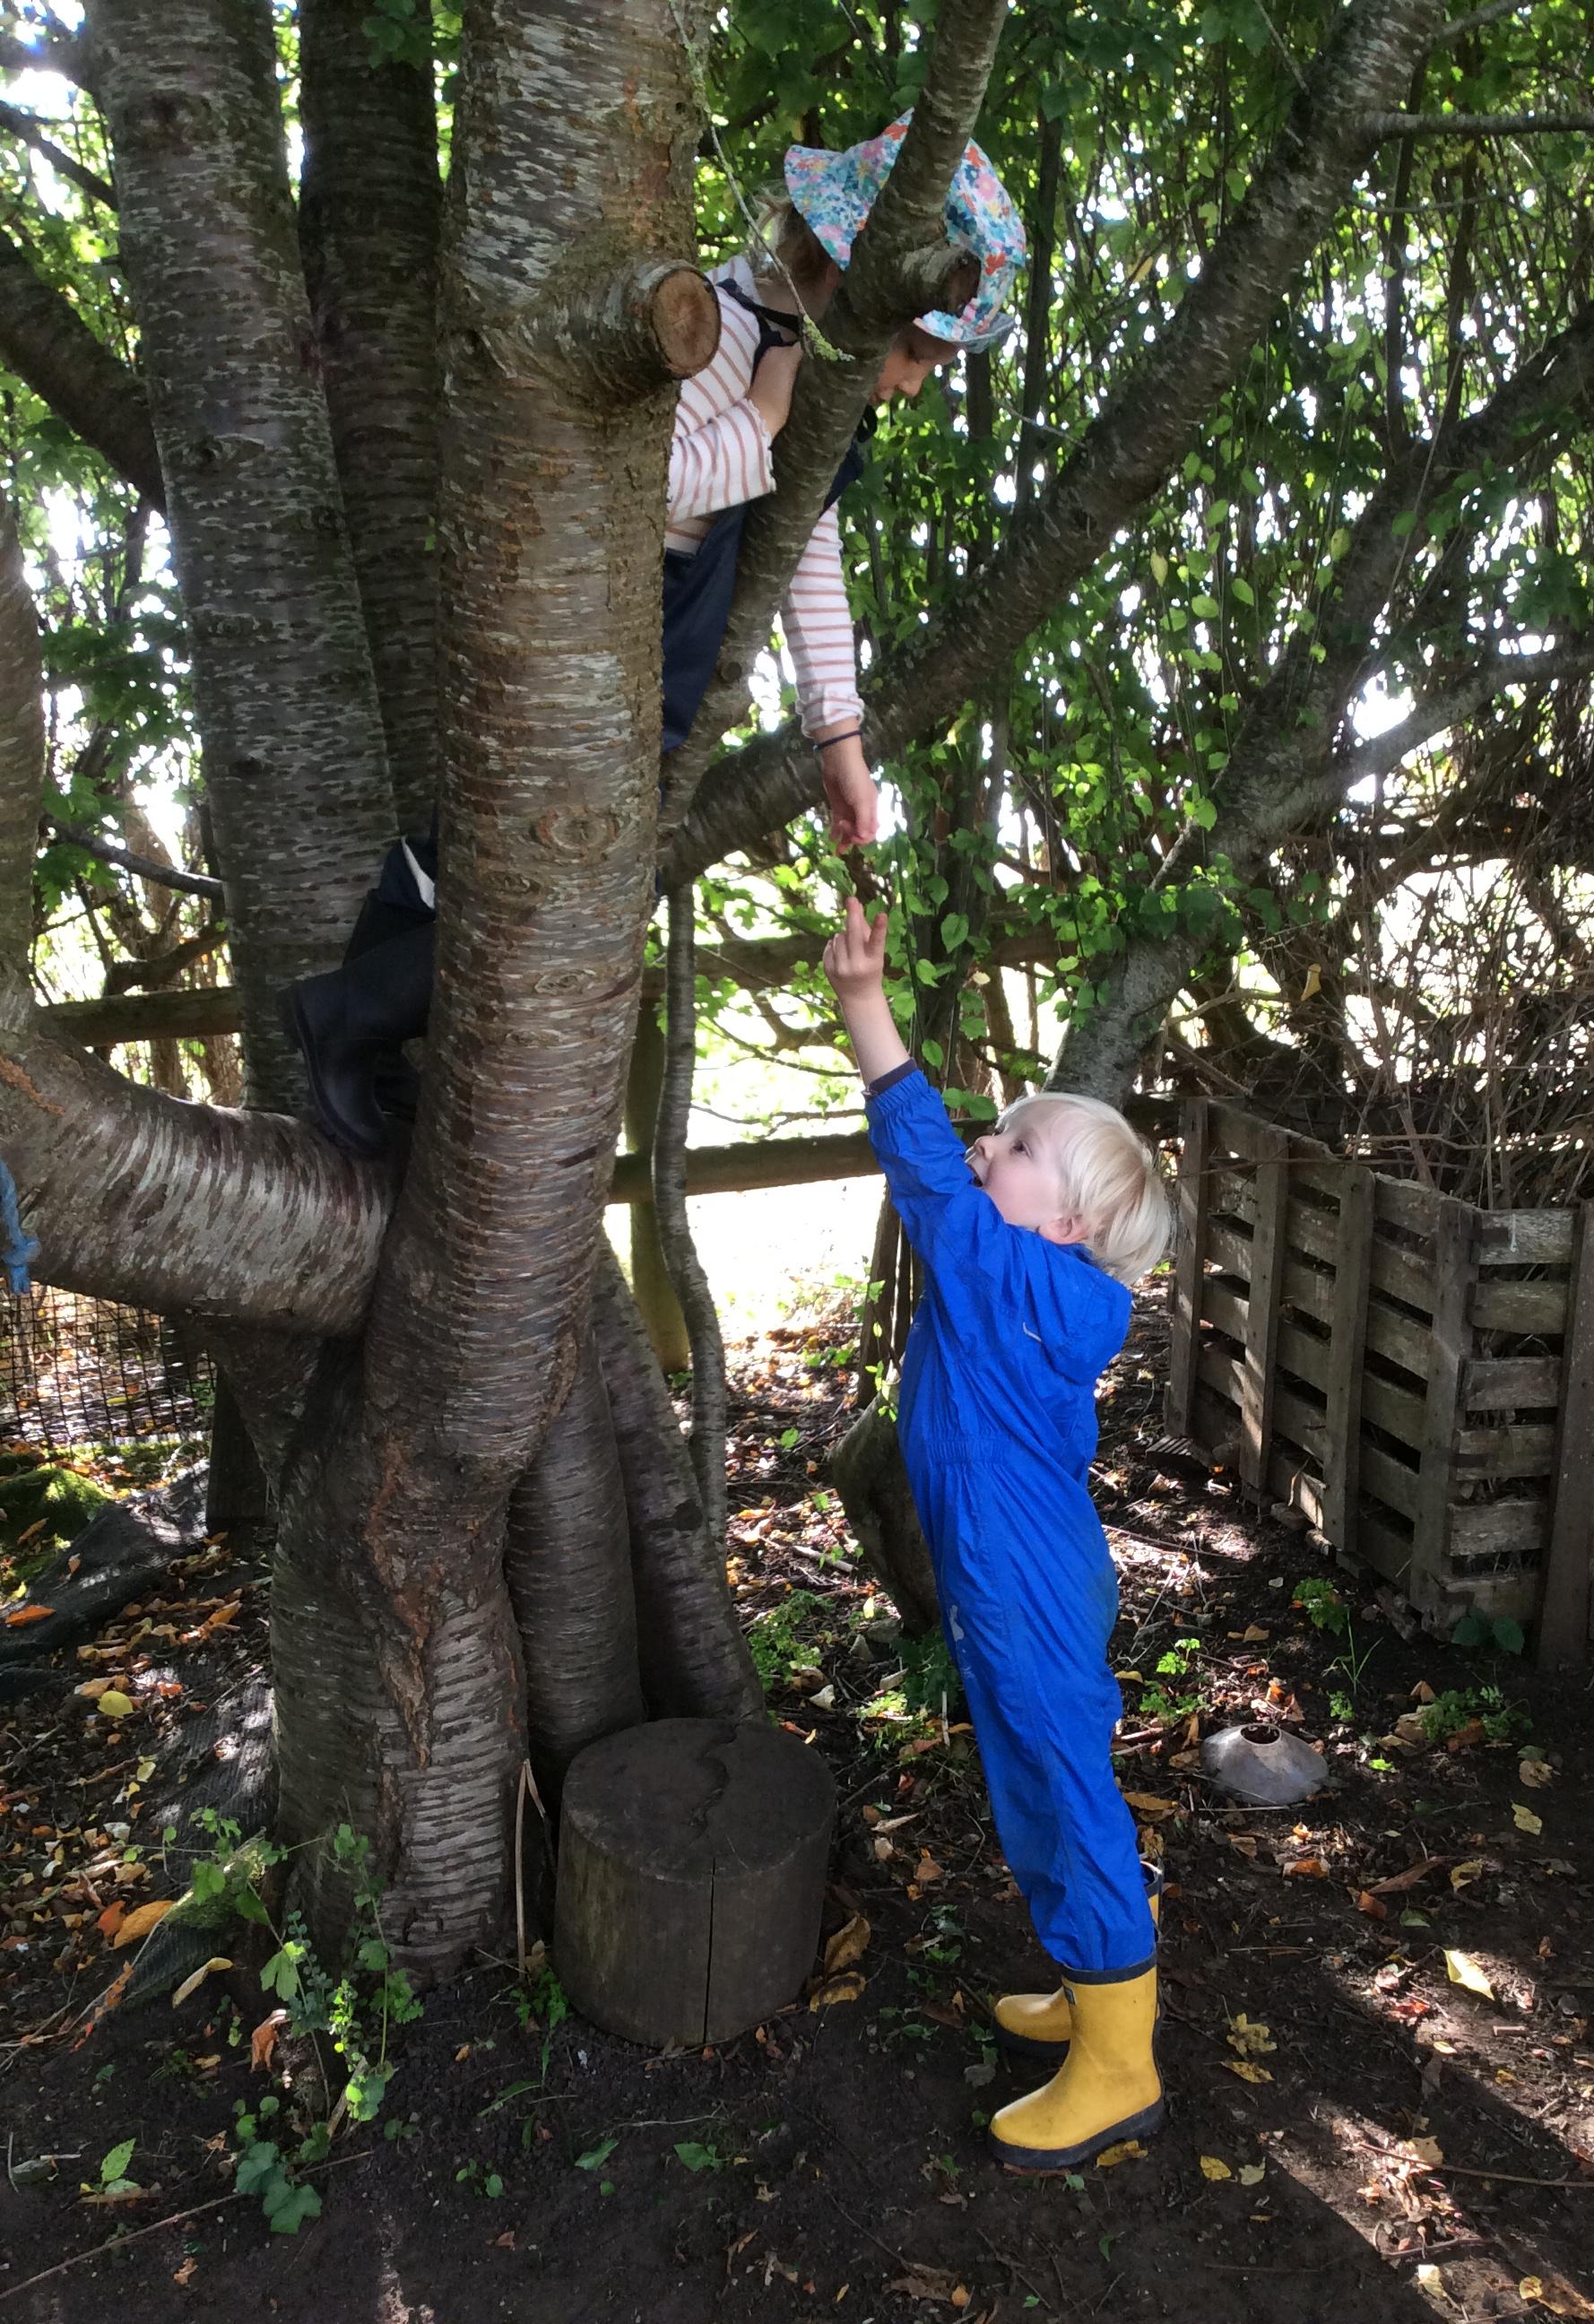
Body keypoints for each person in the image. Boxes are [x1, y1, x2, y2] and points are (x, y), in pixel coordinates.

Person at [287, 116, 1027, 1156]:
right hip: (590, 642)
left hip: (639, 653)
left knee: (477, 853)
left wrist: (840, 740)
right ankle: (344, 1019)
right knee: (576, 886)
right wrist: (758, 423)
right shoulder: (716, 334)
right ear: (833, 270)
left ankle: (368, 1045)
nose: (909, 382)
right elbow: (632, 492)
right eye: (913, 351)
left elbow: (805, 545)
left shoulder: (806, 373)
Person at [822, 897, 1173, 2172]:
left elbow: (926, 1168)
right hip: (1016, 1578)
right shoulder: (1024, 1284)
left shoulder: (1018, 1281)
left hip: (1024, 1584)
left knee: (1066, 1793)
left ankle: (1121, 2065)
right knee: (1033, 1784)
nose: (990, 1142)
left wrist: (868, 1009)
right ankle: (1090, 1994)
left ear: (1065, 1223)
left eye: (1018, 1144)